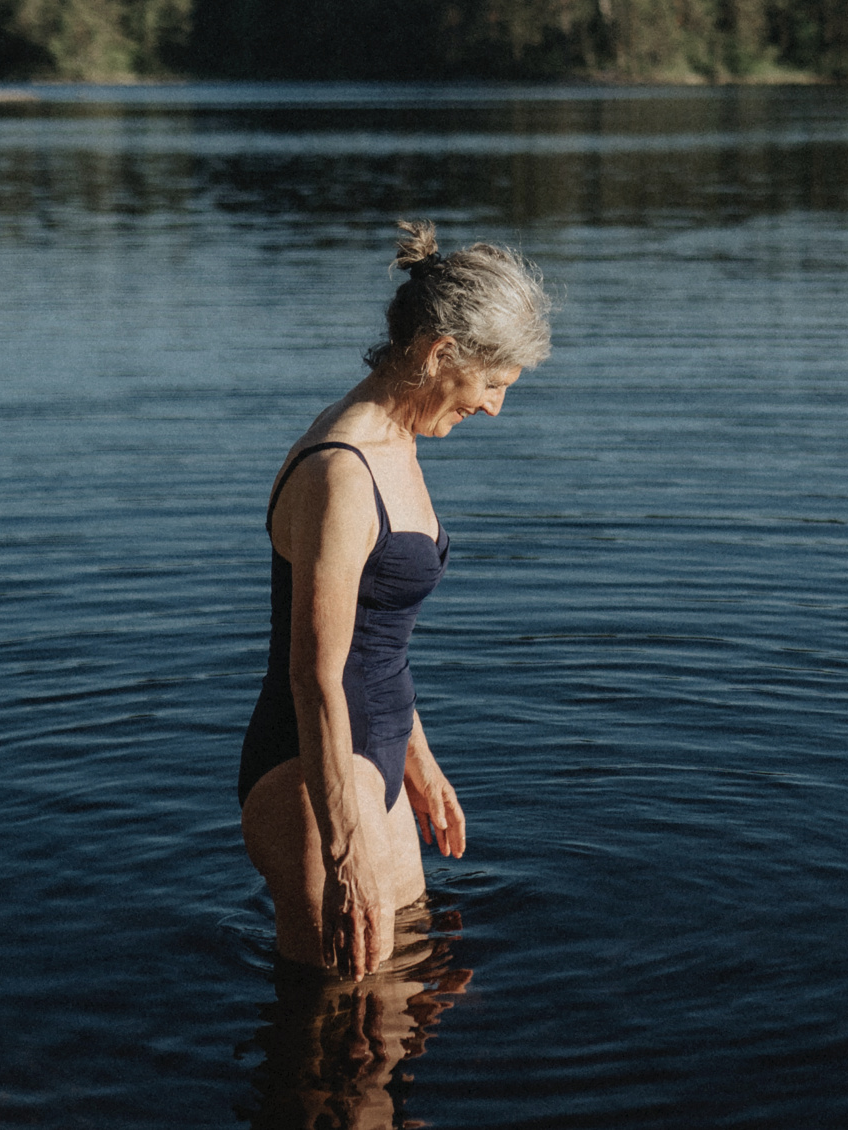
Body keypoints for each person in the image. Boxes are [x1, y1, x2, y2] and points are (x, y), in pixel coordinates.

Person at [238, 220, 551, 980]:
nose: (494, 409)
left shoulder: (398, 442)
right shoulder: (342, 471)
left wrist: (418, 758)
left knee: (400, 998)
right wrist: (344, 853)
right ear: (440, 353)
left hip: (373, 754)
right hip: (314, 775)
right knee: (342, 1037)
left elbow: (377, 639)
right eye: (492, 384)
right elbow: (315, 673)